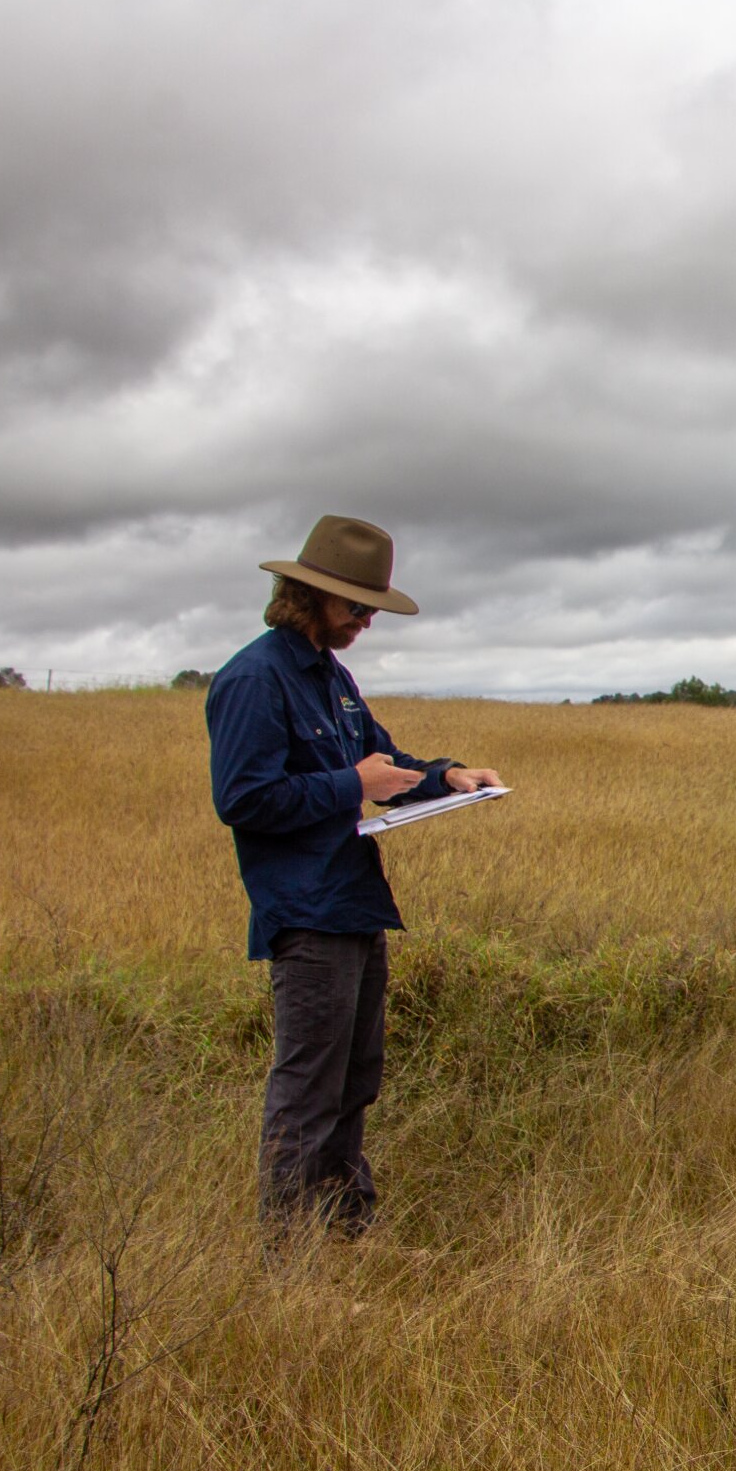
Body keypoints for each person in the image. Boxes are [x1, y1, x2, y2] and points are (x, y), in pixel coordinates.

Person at [205, 515, 504, 1234]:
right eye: (356, 606)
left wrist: (448, 775)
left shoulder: (333, 678)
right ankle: (289, 1259)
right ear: (306, 593)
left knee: (354, 1079)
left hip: (355, 903)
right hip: (304, 912)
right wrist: (350, 784)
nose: (367, 620)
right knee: (308, 1088)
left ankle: (345, 1236)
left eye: (373, 607)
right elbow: (242, 799)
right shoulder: (254, 678)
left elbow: (383, 765)